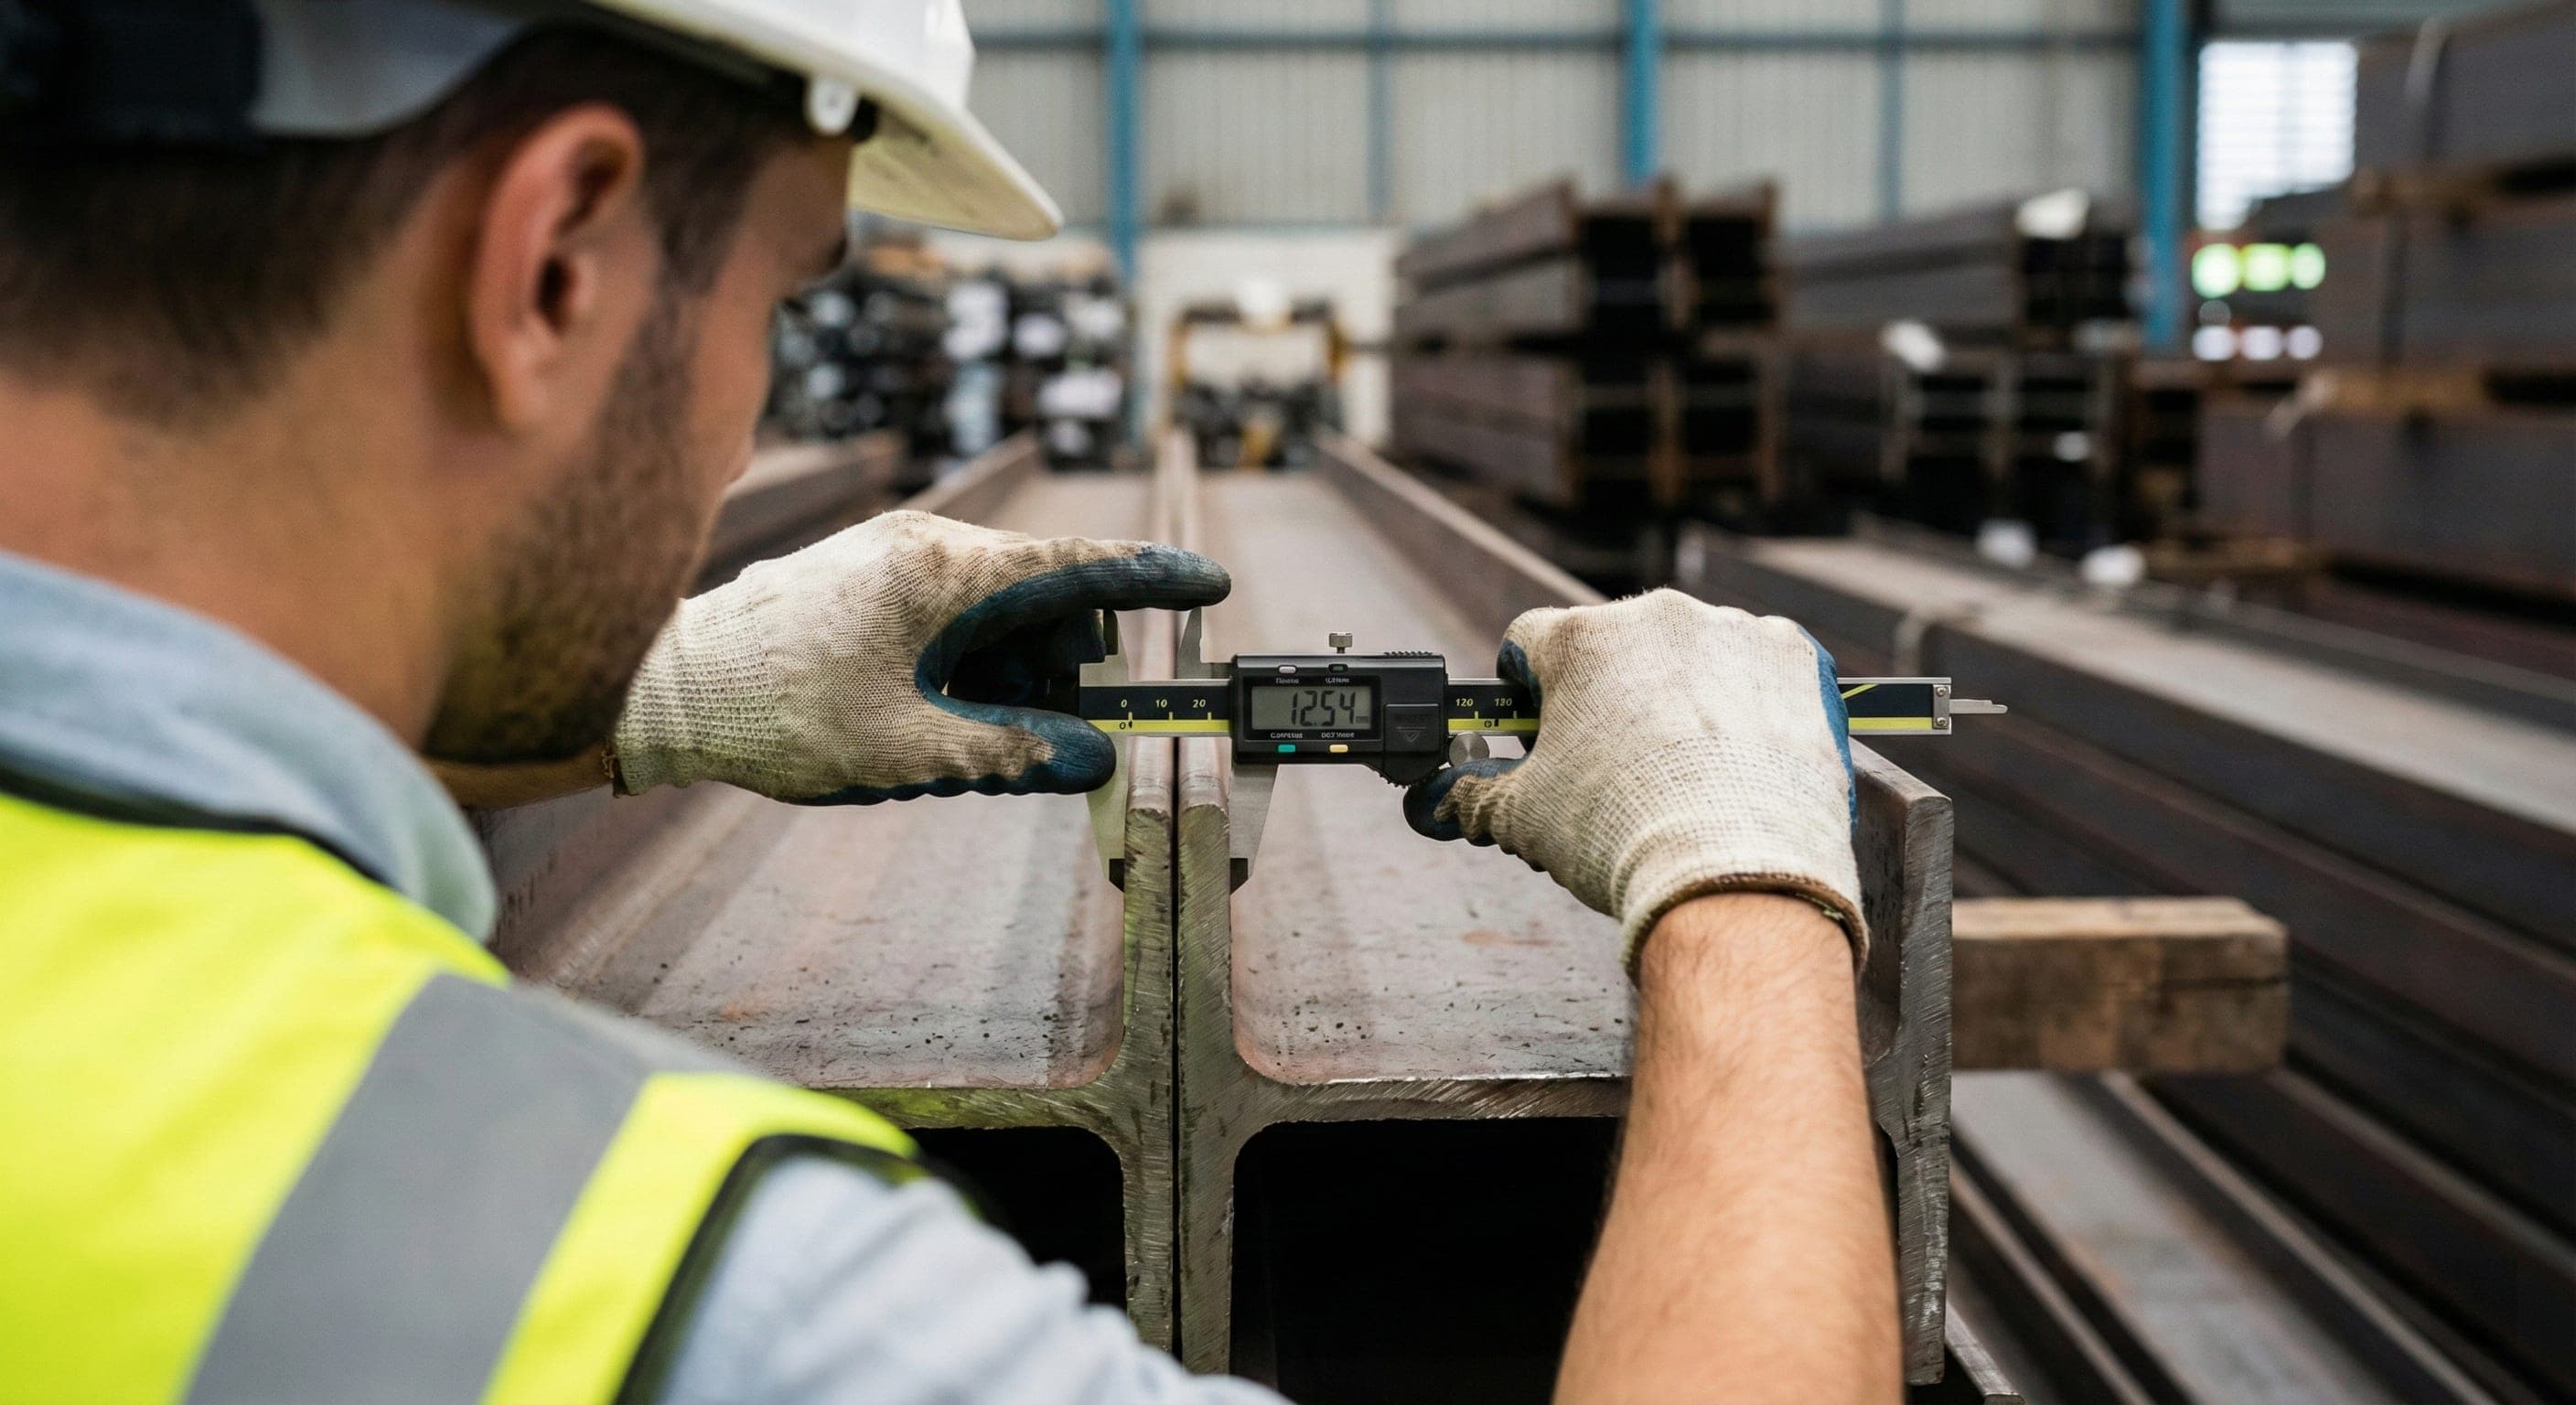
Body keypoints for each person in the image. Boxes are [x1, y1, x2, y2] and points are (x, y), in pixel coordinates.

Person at [0, 2, 1898, 1401]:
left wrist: (656, 699)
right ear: (554, 264)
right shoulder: (666, 1290)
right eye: (773, 298)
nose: (743, 405)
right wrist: (1739, 889)